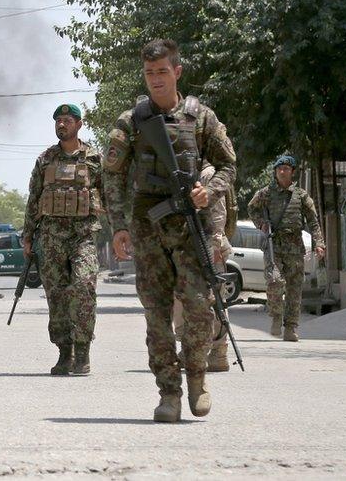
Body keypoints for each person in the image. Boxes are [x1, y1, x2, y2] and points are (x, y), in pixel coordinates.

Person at [103, 39, 237, 423]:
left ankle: (196, 377)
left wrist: (206, 192)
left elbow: (228, 164)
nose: (156, 80)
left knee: (198, 307)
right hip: (148, 228)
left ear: (177, 71)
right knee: (156, 315)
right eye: (149, 73)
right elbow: (112, 178)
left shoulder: (202, 117)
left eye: (162, 71)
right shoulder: (132, 121)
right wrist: (119, 226)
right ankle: (169, 395)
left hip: (189, 227)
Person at [22, 103, 104, 376]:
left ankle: (83, 352)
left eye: (67, 120)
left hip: (83, 236)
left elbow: (109, 193)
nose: (61, 124)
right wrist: (28, 236)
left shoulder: (94, 158)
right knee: (56, 294)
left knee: (83, 287)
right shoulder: (45, 159)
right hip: (51, 238)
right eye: (58, 120)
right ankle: (64, 353)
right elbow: (33, 198)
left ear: (79, 124)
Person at [247, 155, 325, 342]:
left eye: (286, 169)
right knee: (274, 281)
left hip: (295, 247)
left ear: (292, 172)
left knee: (294, 289)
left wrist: (319, 243)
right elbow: (252, 208)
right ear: (275, 171)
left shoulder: (301, 196)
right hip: (274, 245)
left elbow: (313, 221)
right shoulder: (266, 193)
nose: (282, 171)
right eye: (279, 168)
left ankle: (290, 327)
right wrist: (261, 224)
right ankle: (276, 316)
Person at [173, 164, 234, 372]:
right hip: (185, 243)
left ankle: (218, 350)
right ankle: (188, 346)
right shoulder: (179, 166)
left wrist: (216, 244)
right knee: (181, 297)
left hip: (209, 244)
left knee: (214, 297)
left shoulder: (207, 173)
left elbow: (218, 211)